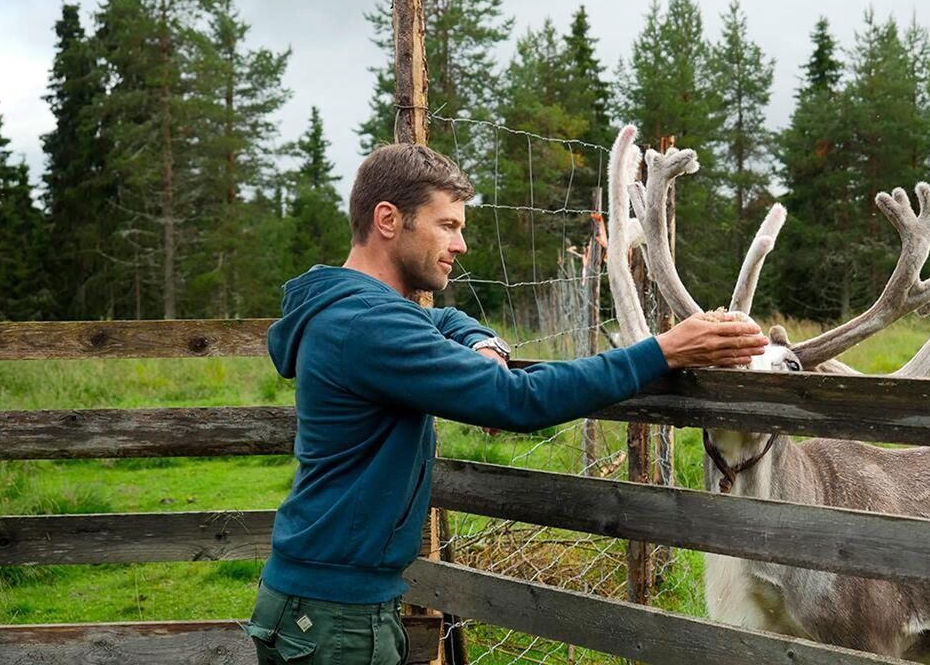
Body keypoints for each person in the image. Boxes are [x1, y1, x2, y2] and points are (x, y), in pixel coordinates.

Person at [244, 143, 768, 664]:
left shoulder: (358, 310)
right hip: (334, 614)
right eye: (447, 225)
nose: (462, 244)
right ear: (388, 219)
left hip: (327, 598)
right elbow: (517, 399)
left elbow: (443, 321)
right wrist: (662, 351)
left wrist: (484, 343)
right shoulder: (367, 326)